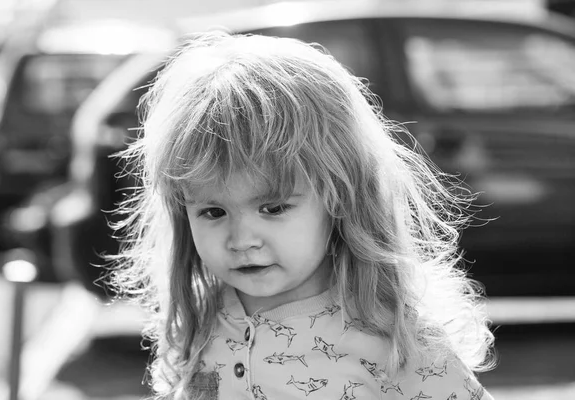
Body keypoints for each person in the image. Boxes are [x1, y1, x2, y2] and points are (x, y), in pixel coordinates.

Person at [109, 30, 496, 400]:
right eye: (213, 211)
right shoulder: (201, 320)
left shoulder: (395, 336)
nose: (242, 239)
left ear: (341, 197)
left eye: (273, 208)